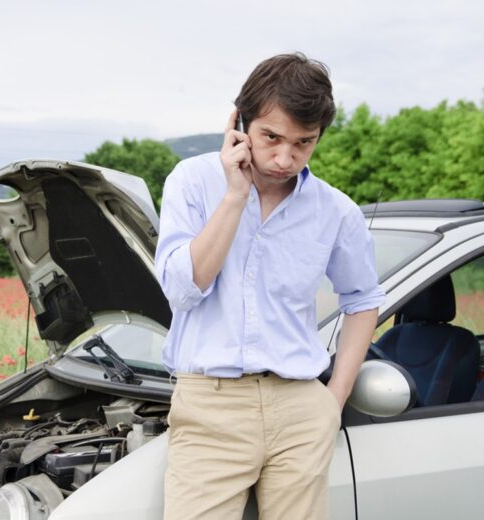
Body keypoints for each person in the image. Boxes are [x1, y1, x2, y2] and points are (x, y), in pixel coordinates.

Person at [155, 52, 385, 519]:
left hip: (301, 408)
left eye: (304, 143)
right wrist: (234, 195)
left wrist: (333, 400)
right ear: (239, 123)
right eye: (271, 137)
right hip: (210, 408)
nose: (285, 158)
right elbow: (183, 290)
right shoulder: (193, 183)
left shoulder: (337, 211)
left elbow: (363, 300)